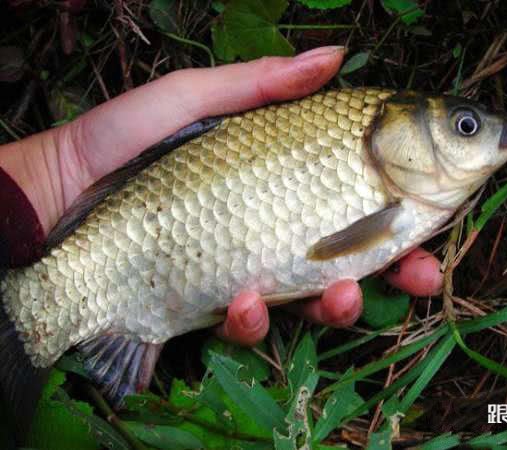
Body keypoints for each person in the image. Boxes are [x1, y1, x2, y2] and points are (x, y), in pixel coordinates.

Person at [0, 46, 443, 346]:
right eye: (464, 127)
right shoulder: (393, 202)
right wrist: (61, 168)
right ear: (392, 130)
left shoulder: (398, 202)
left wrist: (59, 167)